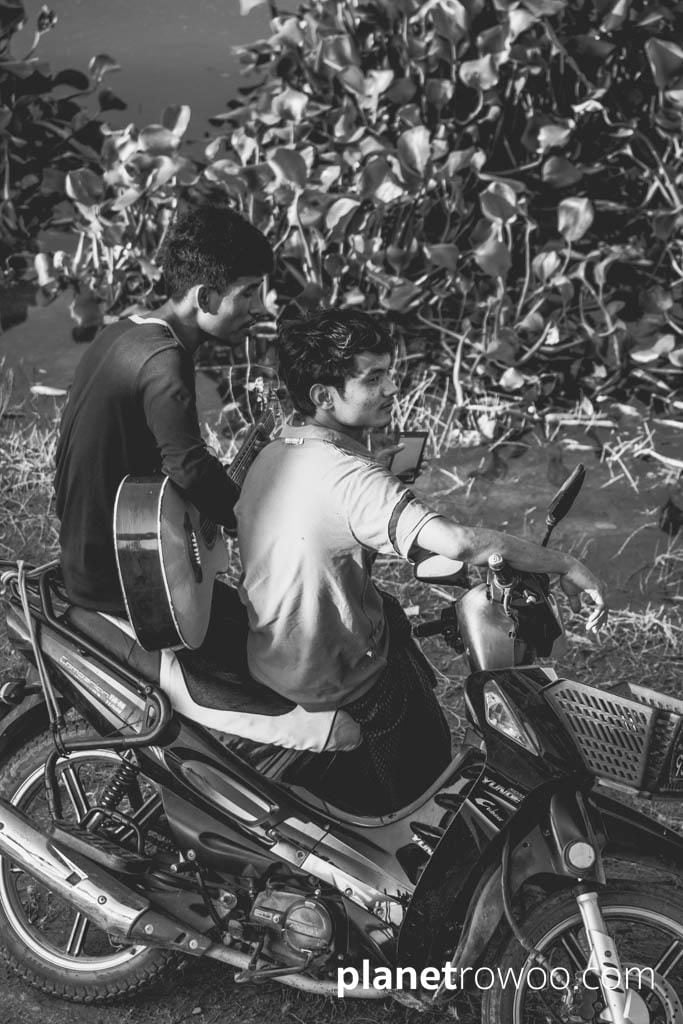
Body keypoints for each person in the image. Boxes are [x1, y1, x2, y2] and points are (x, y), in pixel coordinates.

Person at [235, 309, 609, 814]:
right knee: (424, 769)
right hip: (342, 685)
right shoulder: (351, 479)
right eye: (373, 378)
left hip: (275, 658)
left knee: (393, 622)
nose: (393, 387)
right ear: (324, 396)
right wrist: (562, 564)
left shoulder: (276, 449)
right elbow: (457, 544)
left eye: (390, 372)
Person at [54, 204, 273, 615]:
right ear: (205, 296)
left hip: (85, 556)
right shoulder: (165, 360)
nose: (258, 308)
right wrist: (252, 517)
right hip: (122, 577)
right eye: (247, 293)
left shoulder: (121, 330)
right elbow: (188, 468)